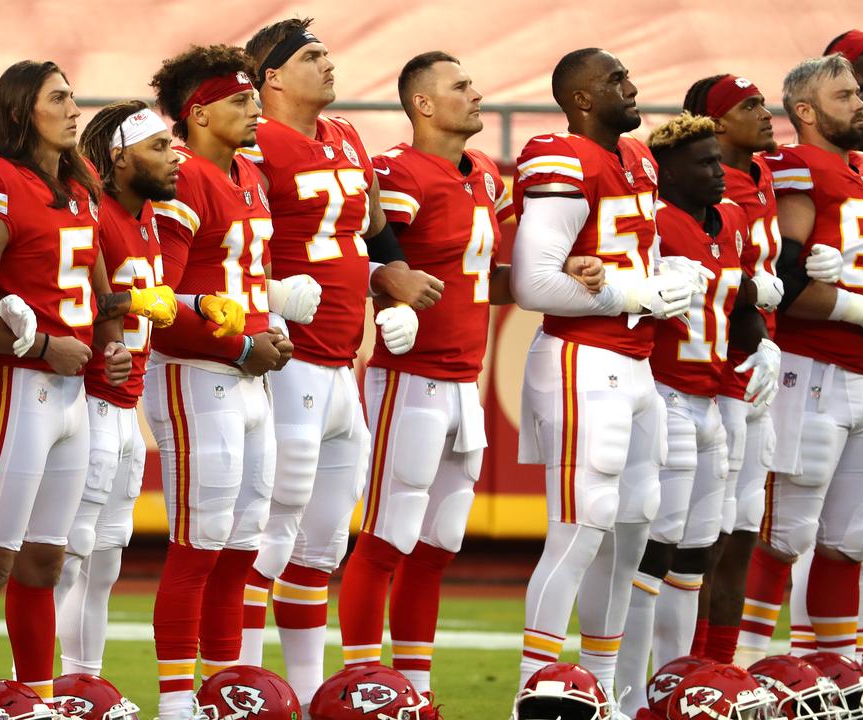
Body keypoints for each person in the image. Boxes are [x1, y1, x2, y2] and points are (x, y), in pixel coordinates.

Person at [336, 50, 602, 699]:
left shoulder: (484, 172)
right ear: (423, 102)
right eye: (461, 86)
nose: (477, 94)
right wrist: (385, 301)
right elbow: (369, 254)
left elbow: (482, 282)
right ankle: (365, 686)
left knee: (438, 544)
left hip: (464, 380)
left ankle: (415, 690)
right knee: (386, 538)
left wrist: (555, 277)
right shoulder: (397, 171)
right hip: (410, 377)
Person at [235, 19, 442, 703]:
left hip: (340, 362)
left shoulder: (348, 136)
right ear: (271, 75)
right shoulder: (253, 141)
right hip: (285, 356)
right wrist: (261, 302)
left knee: (320, 548)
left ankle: (305, 692)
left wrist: (397, 278)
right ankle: (242, 690)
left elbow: (373, 228)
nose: (329, 64)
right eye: (312, 56)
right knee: (270, 535)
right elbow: (228, 240)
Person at [0, 60, 161, 697]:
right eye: (59, 98)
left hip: (72, 395)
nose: (74, 110)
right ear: (21, 112)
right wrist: (41, 343)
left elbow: (102, 296)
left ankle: (35, 699)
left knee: (44, 562)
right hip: (16, 389)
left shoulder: (79, 183)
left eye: (72, 97)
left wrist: (111, 345)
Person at [509, 47, 701, 698]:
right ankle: (533, 695)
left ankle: (605, 694)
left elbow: (628, 259)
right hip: (580, 358)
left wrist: (668, 277)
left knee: (631, 530)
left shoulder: (640, 158)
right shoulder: (559, 156)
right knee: (580, 528)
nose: (632, 86)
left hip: (636, 364)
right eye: (615, 79)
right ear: (582, 98)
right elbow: (533, 284)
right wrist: (630, 294)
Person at [144, 44, 293, 720]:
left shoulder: (250, 176)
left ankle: (230, 695)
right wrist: (238, 345)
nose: (255, 107)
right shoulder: (186, 177)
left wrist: (269, 329)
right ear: (198, 113)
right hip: (197, 373)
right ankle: (178, 704)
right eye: (239, 100)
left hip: (245, 377)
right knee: (197, 545)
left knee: (241, 547)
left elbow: (242, 284)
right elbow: (159, 300)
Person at [615, 112, 780, 716]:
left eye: (718, 159)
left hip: (715, 397)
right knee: (653, 551)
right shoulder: (653, 221)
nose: (719, 171)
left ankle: (674, 691)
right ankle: (629, 697)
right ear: (670, 171)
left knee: (696, 554)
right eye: (705, 162)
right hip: (665, 393)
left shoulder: (732, 219)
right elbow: (619, 295)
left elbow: (737, 301)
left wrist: (760, 339)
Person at [55, 100, 218, 677]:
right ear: (119, 156)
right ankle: (46, 689)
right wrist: (120, 314)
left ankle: (84, 685)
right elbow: (64, 299)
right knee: (70, 556)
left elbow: (152, 298)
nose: (175, 158)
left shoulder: (151, 216)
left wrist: (196, 304)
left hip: (126, 406)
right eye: (159, 148)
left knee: (104, 561)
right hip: (85, 398)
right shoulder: (91, 212)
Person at [735, 54, 863, 664]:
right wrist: (862, 311)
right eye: (844, 95)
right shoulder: (794, 167)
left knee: (853, 540)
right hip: (811, 370)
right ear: (806, 111)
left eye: (858, 93)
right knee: (783, 536)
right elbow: (787, 283)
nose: (860, 103)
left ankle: (839, 673)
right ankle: (741, 668)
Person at [679, 75, 789, 665]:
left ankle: (720, 670)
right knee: (705, 536)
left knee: (745, 526)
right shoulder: (698, 190)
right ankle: (687, 672)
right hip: (711, 373)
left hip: (757, 366)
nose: (766, 113)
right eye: (751, 106)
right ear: (716, 124)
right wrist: (755, 296)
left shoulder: (764, 172)